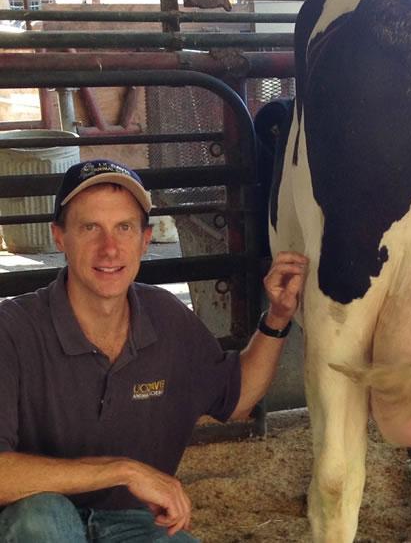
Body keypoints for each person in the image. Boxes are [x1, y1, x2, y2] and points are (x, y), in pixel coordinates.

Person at [0, 159, 308, 543]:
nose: (109, 249)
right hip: (30, 521)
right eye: (90, 227)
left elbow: (239, 397)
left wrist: (277, 317)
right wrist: (123, 471)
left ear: (145, 240)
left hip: (130, 523)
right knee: (42, 518)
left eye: (124, 228)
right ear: (59, 237)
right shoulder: (12, 329)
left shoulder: (166, 318)